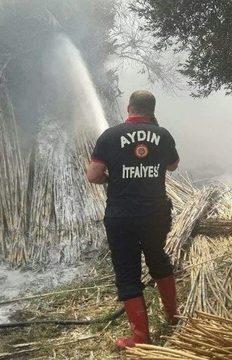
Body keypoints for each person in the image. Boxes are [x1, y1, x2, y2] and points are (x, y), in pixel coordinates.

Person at [86, 90, 180, 349]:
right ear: (152, 110)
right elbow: (173, 165)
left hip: (122, 217)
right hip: (156, 214)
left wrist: (112, 177)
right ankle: (174, 316)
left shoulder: (109, 136)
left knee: (128, 273)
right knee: (158, 258)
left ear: (129, 108)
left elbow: (93, 175)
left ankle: (140, 337)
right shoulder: (163, 135)